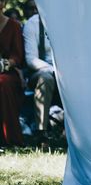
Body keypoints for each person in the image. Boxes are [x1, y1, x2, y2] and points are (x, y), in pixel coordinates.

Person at [23, 10, 57, 144]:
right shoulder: (33, 23)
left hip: (67, 71)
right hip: (41, 71)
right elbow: (31, 59)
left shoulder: (68, 22)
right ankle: (41, 132)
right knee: (46, 79)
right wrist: (55, 71)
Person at [0, 0, 25, 146]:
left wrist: (6, 63)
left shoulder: (14, 25)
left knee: (3, 83)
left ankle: (9, 138)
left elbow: (18, 55)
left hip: (8, 72)